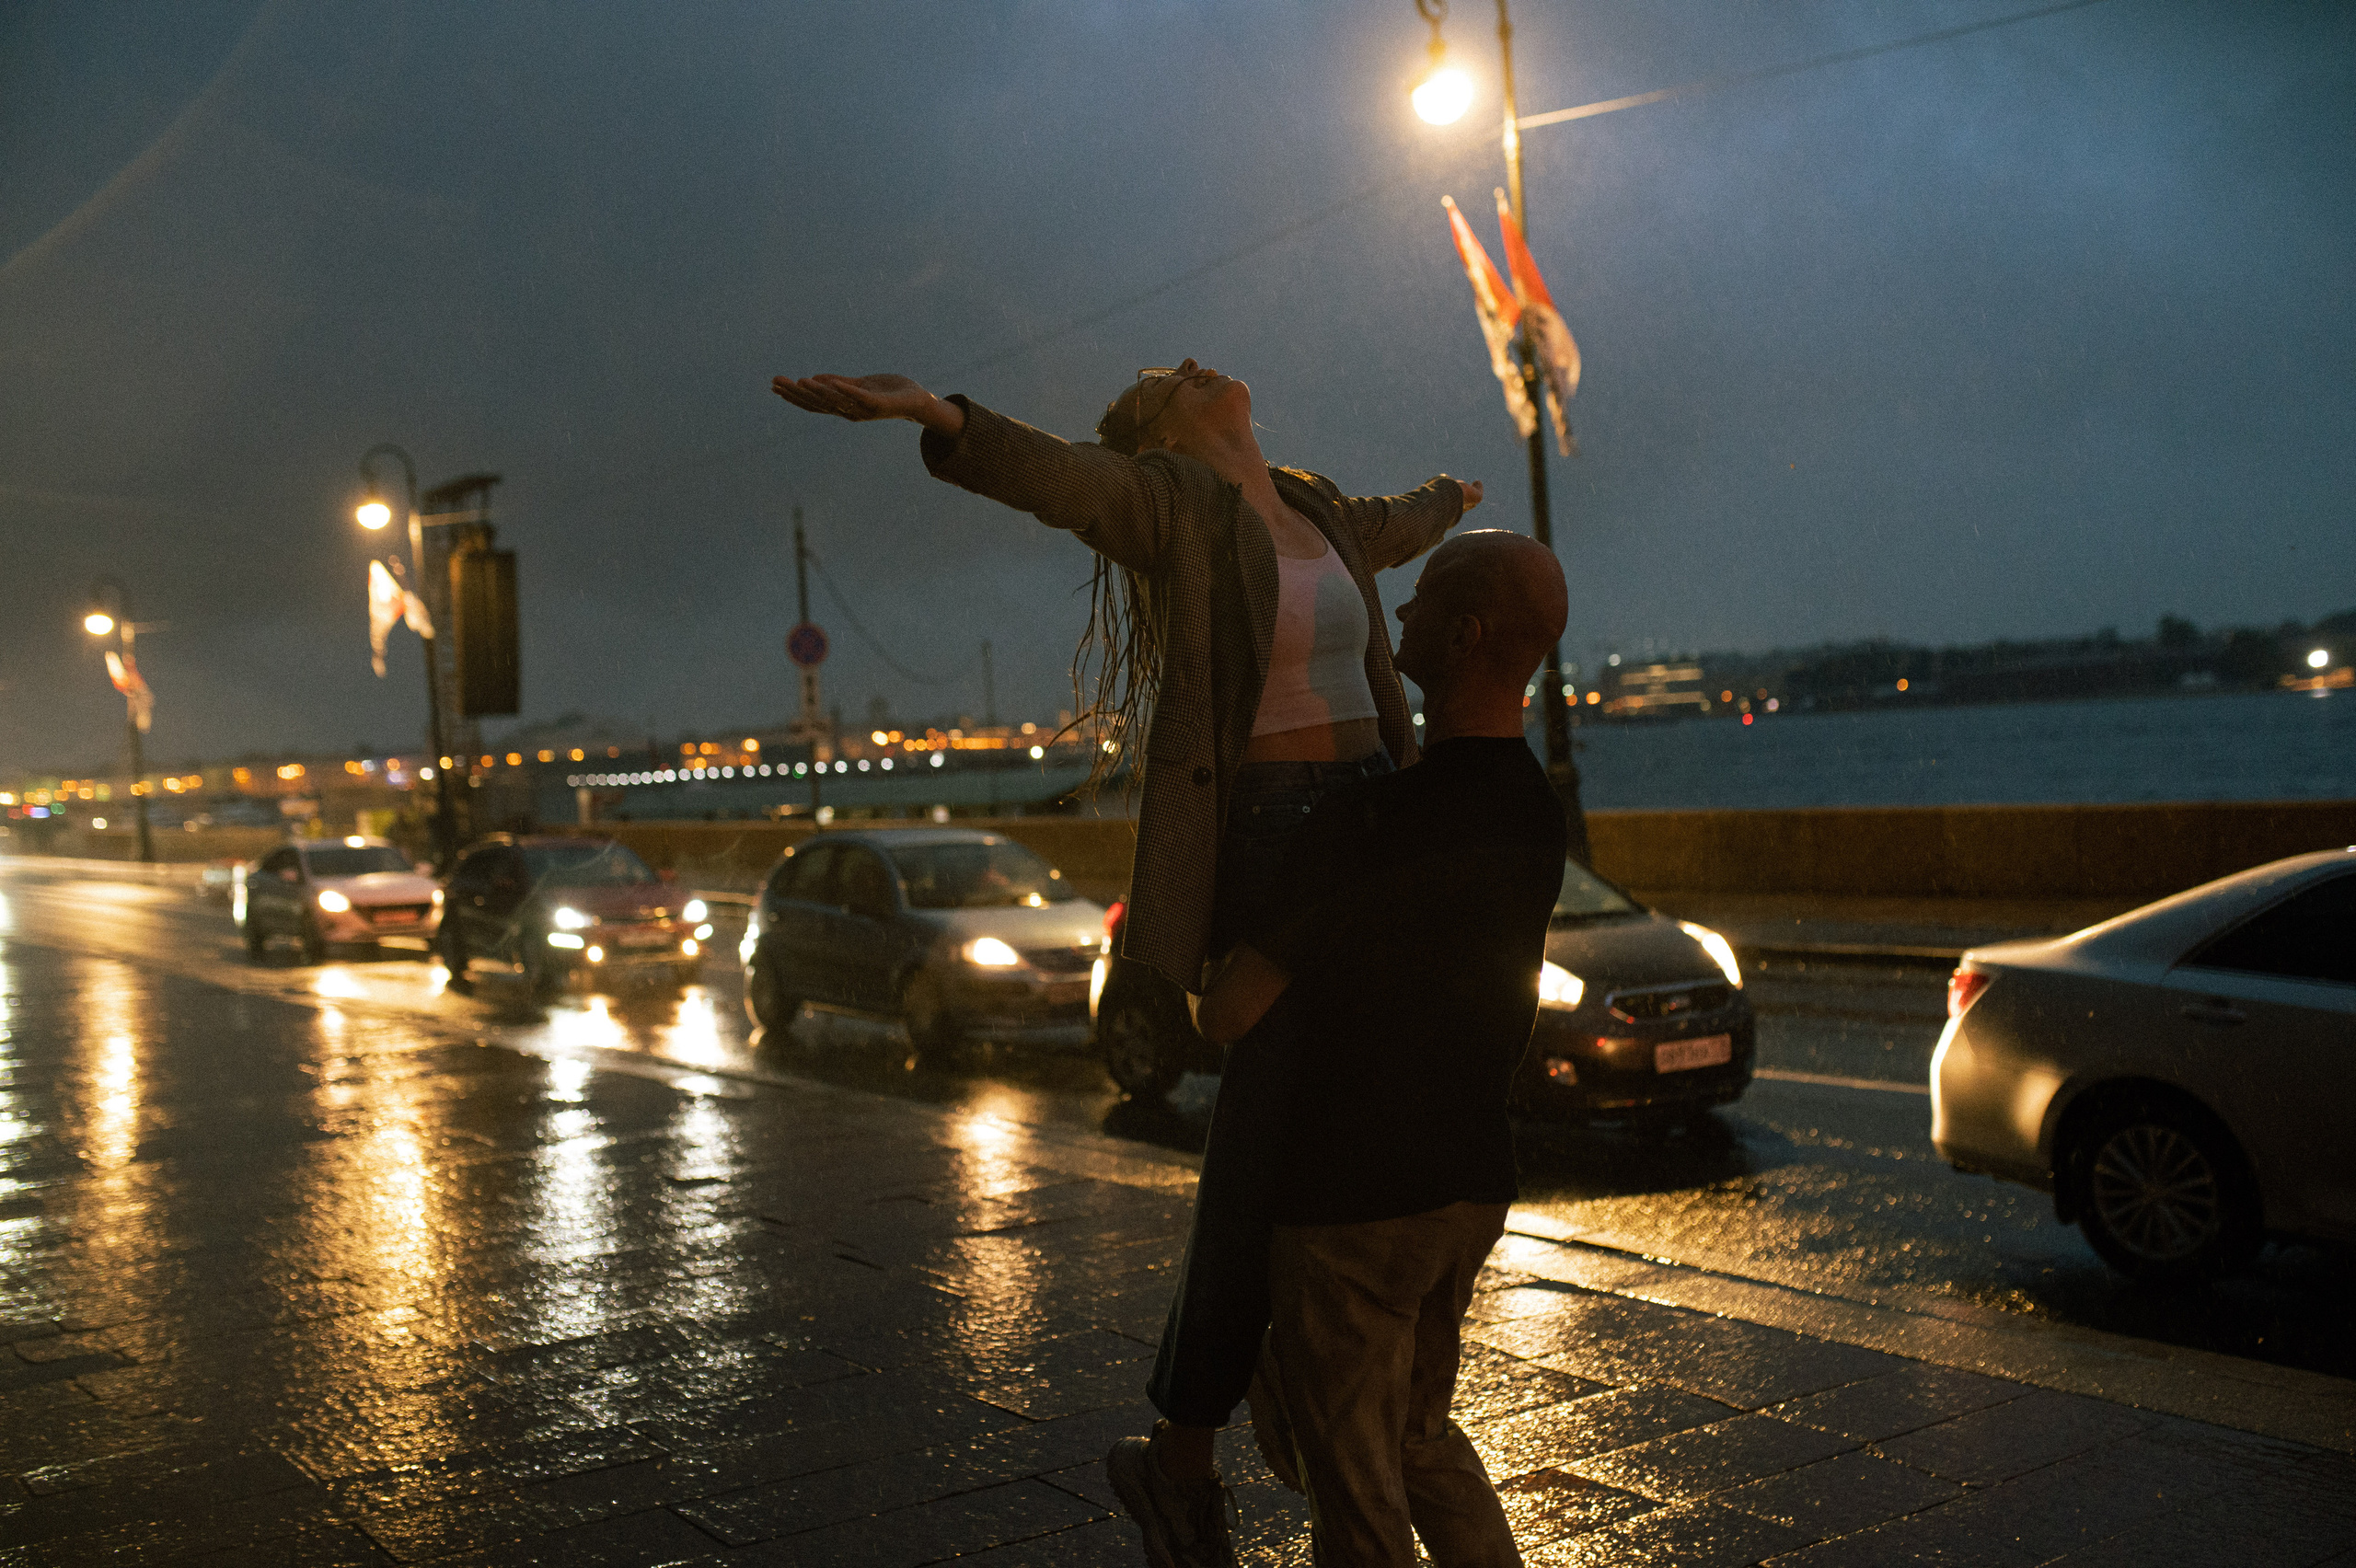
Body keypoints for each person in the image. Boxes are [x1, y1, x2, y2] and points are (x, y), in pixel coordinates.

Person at [770, 363, 1484, 1562]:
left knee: (1333, 1138)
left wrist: (1450, 499)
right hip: (1276, 836)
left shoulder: (1311, 502)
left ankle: (1242, 1416)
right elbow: (1059, 481)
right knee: (1265, 1142)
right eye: (1168, 380)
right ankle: (1192, 1449)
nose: (1195, 366)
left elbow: (1389, 528)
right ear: (1159, 438)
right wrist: (937, 417)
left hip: (1371, 814)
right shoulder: (1168, 506)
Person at [1192, 529, 1571, 1566]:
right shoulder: (1535, 812)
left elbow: (1228, 1013)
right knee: (1418, 1439)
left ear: (1465, 633)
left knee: (1357, 1489)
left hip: (1352, 1200)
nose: (1396, 612)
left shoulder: (1365, 823)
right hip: (1468, 1186)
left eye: (1422, 598)